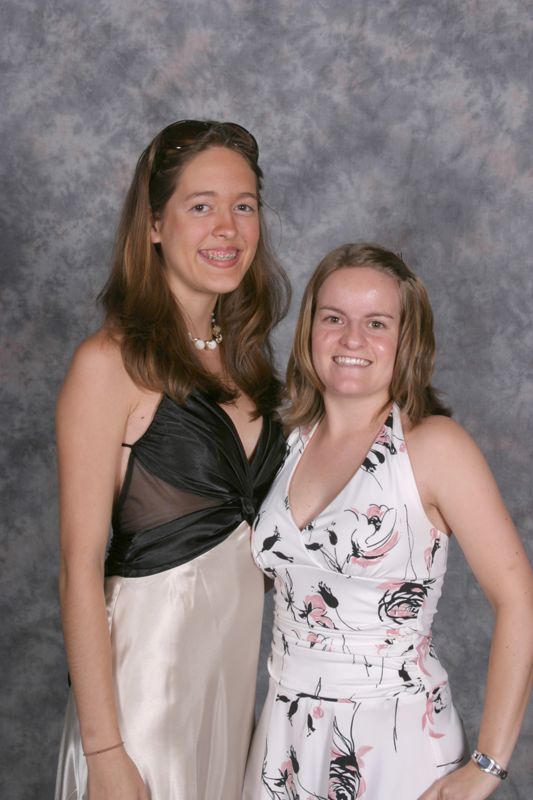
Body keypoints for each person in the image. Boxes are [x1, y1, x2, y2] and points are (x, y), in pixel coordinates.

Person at [243, 242, 533, 800]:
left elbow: (518, 597)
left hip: (394, 744)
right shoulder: (288, 441)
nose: (352, 339)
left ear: (407, 340)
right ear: (309, 331)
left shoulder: (434, 446)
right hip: (282, 740)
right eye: (334, 319)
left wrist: (488, 765)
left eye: (376, 323)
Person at [54, 119, 290, 800]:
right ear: (153, 224)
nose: (227, 228)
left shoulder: (251, 367)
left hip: (229, 707)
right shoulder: (108, 364)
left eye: (243, 206)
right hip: (140, 714)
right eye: (201, 206)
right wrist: (105, 752)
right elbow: (77, 572)